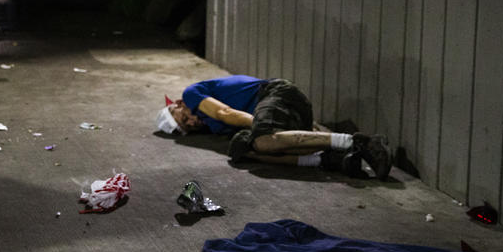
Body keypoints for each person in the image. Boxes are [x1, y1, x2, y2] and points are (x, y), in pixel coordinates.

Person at [154, 74, 393, 180]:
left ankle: (359, 142)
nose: (193, 123)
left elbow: (226, 113)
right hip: (285, 116)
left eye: (184, 118)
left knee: (263, 139)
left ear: (178, 104)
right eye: (189, 128)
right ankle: (333, 159)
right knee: (242, 149)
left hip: (276, 94)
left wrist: (261, 130)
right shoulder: (212, 127)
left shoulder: (192, 93)